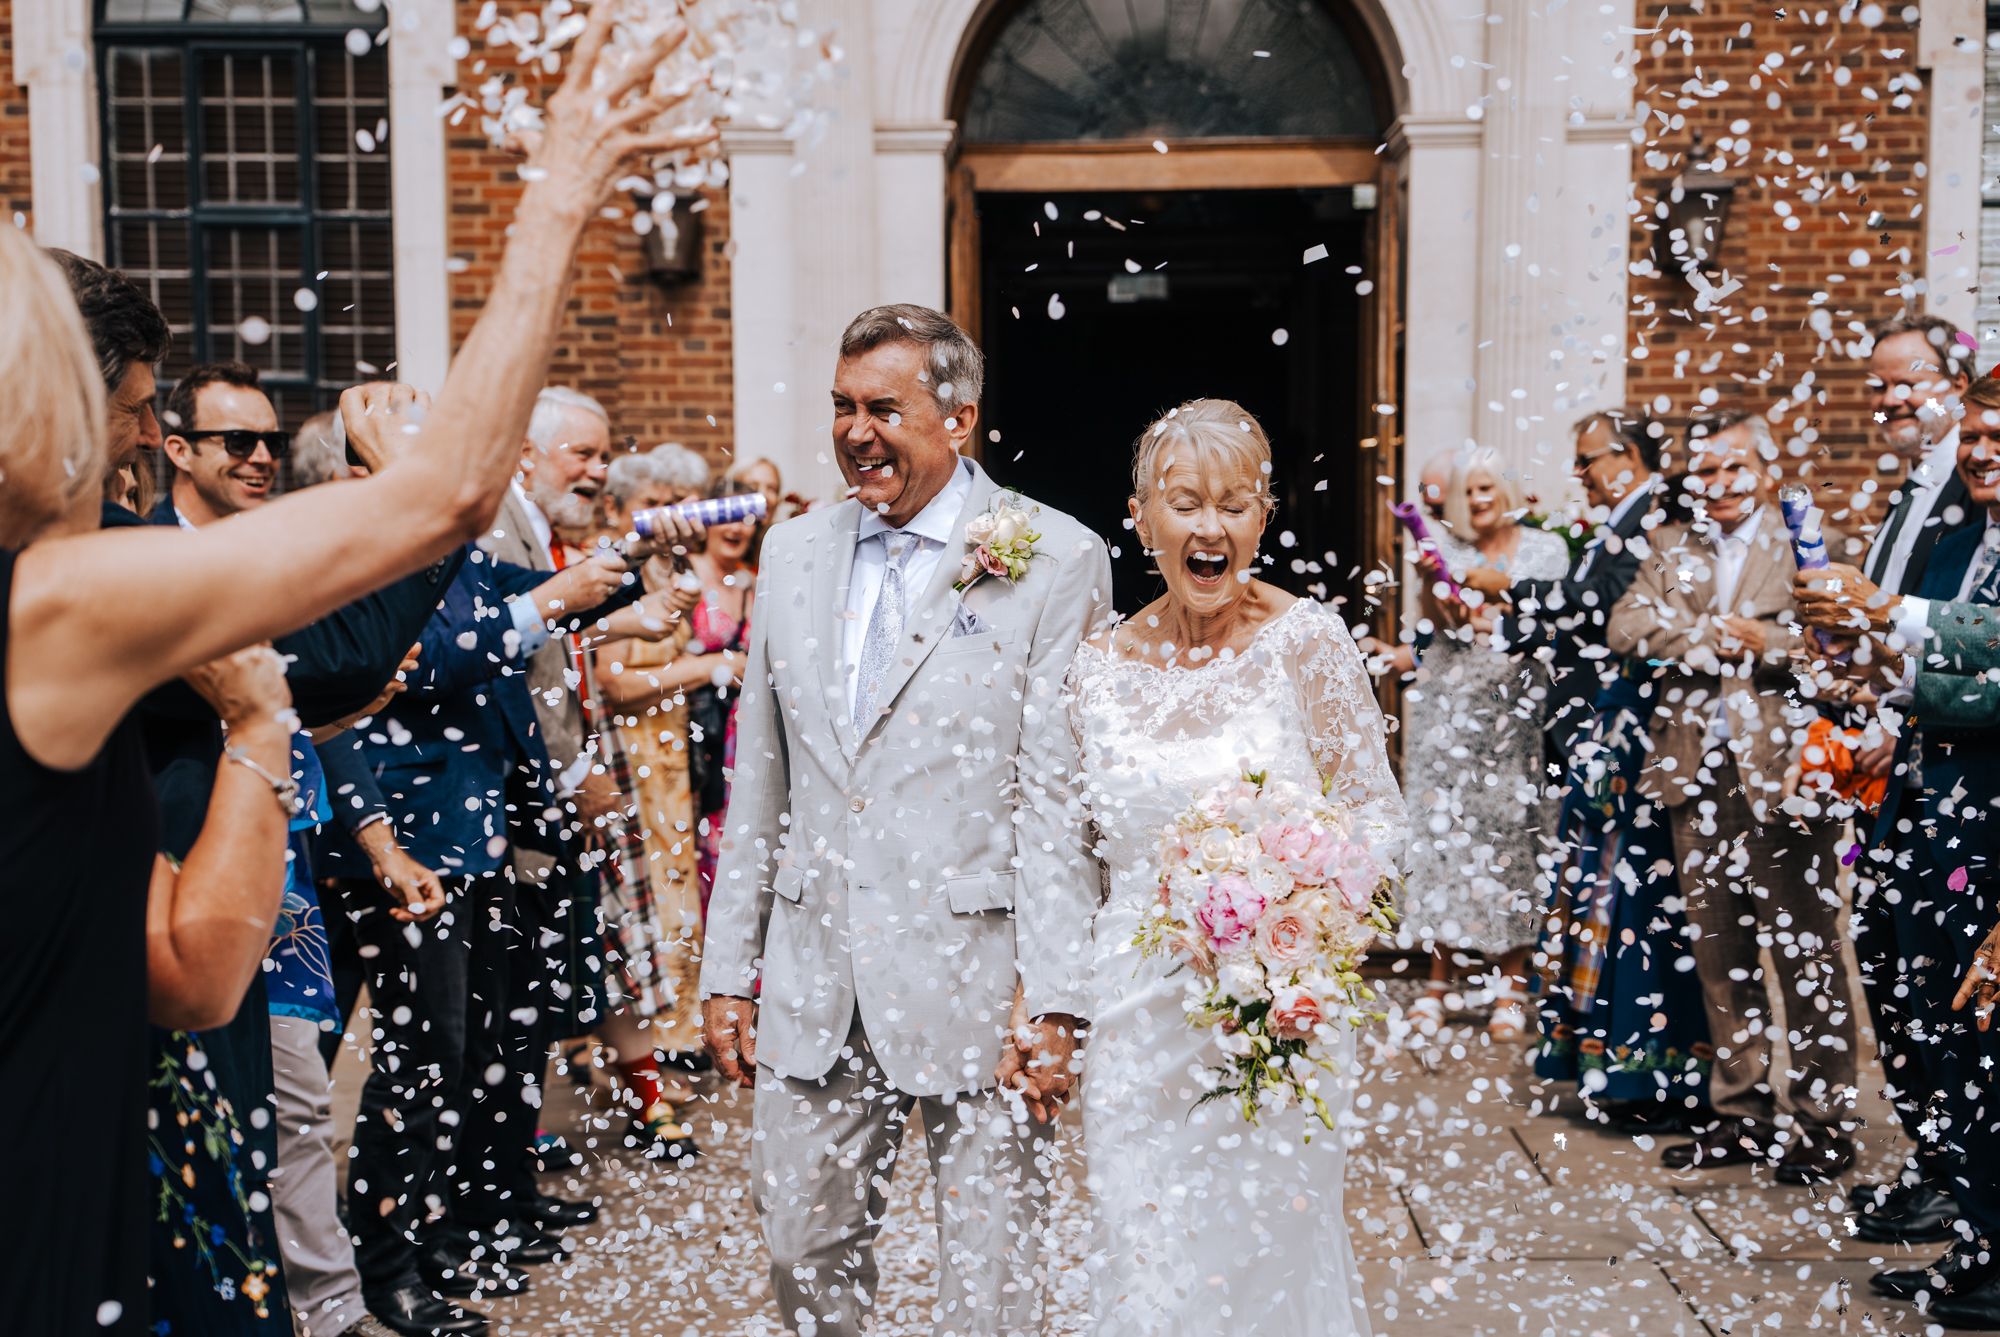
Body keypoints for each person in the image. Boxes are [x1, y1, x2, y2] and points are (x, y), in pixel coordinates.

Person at [0, 13, 715, 1328]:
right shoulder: (49, 604)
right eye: (133, 411)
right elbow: (441, 498)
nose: (144, 441)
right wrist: (561, 186)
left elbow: (176, 961)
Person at [700, 303, 1110, 1337]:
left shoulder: (1053, 556)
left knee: (992, 1281)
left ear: (959, 418)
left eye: (883, 408)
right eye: (842, 406)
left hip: (982, 980)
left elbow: (1057, 799)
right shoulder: (792, 553)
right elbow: (762, 777)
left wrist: (1056, 995)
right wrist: (727, 966)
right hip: (816, 972)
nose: (855, 431)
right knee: (800, 1250)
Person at [1066, 398, 1408, 1334]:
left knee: (1265, 1255)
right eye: (1185, 503)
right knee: (1144, 1252)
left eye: (1234, 504)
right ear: (1141, 518)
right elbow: (1074, 855)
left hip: (1276, 1013)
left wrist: (1309, 926)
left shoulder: (1307, 642)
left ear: (1264, 517)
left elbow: (1375, 813)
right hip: (1135, 1010)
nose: (1209, 527)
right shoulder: (1096, 668)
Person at [1607, 411, 1858, 1179]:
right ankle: (1741, 1111)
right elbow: (1625, 626)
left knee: (1804, 948)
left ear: (1766, 471)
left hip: (1785, 774)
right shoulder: (1669, 545)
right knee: (1721, 953)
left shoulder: (1808, 543)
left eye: (1731, 468)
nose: (1714, 484)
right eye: (1703, 472)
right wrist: (1708, 637)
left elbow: (1842, 647)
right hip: (1694, 771)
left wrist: (1769, 640)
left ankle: (1823, 1118)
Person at [1797, 380, 2000, 1317]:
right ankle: (1974, 1224)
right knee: (1935, 1025)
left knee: (1984, 1034)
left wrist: (1889, 613)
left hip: (1987, 826)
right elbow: (1948, 675)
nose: (1982, 451)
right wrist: (1872, 668)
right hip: (1921, 810)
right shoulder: (1963, 540)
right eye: (1975, 434)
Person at [1524, 413, 1710, 1126]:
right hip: (1611, 727)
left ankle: (1651, 1074)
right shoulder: (1634, 526)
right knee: (1602, 892)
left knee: (1638, 898)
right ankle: (1611, 1064)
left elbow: (1615, 613)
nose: (1579, 472)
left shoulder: (1658, 525)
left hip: (1645, 738)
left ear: (1629, 455)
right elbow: (1613, 619)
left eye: (1588, 458)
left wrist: (1516, 591)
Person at [1398, 446, 1570, 1038]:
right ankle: (1437, 984)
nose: (1476, 499)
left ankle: (1511, 988)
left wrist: (1503, 594)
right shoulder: (1448, 550)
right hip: (1451, 712)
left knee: (1514, 844)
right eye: (1466, 490)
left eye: (1485, 486)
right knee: (1446, 843)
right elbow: (1439, 628)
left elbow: (1560, 626)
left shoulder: (1546, 551)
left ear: (1505, 488)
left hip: (1516, 715)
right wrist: (1431, 583)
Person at [592, 447, 727, 1153]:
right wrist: (707, 667)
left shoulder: (669, 570)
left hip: (673, 755)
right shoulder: (609, 573)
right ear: (619, 508)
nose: (670, 515)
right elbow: (611, 682)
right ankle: (633, 1067)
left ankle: (658, 1053)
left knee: (672, 900)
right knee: (634, 914)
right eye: (655, 502)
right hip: (627, 758)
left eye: (680, 501)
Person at [686, 474, 761, 909]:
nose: (736, 527)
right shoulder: (685, 576)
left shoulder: (756, 583)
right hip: (694, 732)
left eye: (746, 518)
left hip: (742, 737)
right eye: (727, 515)